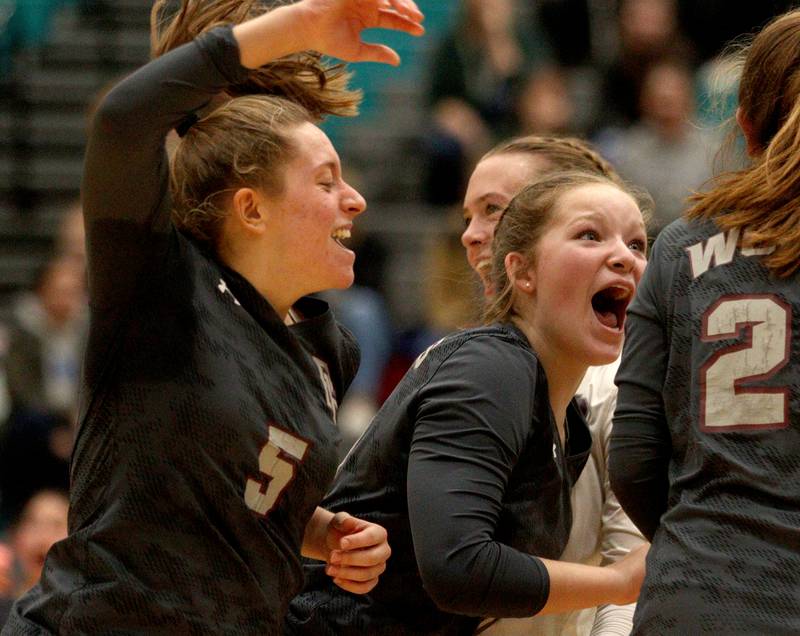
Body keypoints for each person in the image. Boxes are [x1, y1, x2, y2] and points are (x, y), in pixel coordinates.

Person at [1, 0, 425, 633]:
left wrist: (325, 534)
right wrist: (296, 27)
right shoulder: (163, 285)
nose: (355, 200)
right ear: (252, 207)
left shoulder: (327, 347)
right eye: (327, 180)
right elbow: (124, 119)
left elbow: (234, 498)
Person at [288, 169, 650, 635]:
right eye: (589, 235)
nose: (624, 257)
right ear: (521, 270)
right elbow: (458, 567)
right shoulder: (492, 366)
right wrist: (618, 583)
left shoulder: (567, 419)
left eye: (637, 244)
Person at [609, 9, 800, 634]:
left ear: (744, 126)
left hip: (693, 594)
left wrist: (711, 545)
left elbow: (634, 459)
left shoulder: (678, 247)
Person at [460, 136, 647, 635]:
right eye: (468, 217)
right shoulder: (456, 369)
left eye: (494, 210)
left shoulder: (624, 383)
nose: (472, 235)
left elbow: (632, 578)